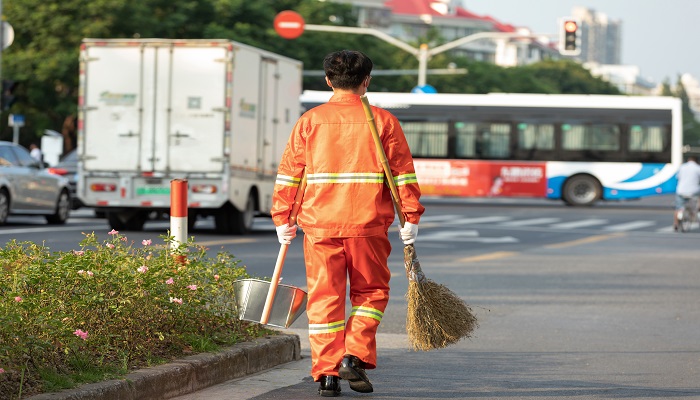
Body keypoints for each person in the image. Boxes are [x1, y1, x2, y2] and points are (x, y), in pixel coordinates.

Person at [271, 50, 424, 397]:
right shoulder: (383, 122)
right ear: (366, 81)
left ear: (328, 80)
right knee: (371, 293)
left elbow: (290, 177)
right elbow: (402, 176)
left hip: (320, 226)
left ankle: (327, 374)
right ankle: (353, 354)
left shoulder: (310, 121)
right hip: (368, 225)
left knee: (325, 300)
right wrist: (411, 217)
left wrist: (284, 218)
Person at [673, 155, 700, 231]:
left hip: (681, 191)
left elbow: (678, 177)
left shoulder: (682, 167)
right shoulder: (698, 168)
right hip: (694, 191)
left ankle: (675, 224)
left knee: (678, 208)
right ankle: (698, 209)